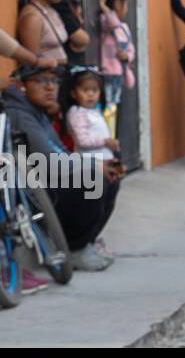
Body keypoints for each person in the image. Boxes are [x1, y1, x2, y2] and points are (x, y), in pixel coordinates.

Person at [4, 64, 121, 271]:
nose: (50, 87)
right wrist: (93, 165)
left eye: (53, 81)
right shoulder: (20, 114)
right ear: (21, 86)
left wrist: (98, 165)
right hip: (35, 197)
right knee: (93, 179)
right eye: (40, 81)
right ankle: (74, 248)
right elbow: (47, 162)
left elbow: (61, 152)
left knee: (111, 175)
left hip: (51, 183)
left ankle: (86, 243)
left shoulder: (36, 111)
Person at [63, 66, 118, 162]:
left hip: (102, 161)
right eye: (85, 90)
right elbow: (82, 141)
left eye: (95, 90)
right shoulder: (78, 113)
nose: (90, 94)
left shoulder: (94, 111)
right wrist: (105, 142)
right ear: (74, 94)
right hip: (90, 163)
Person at [97, 0, 135, 118]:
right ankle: (108, 131)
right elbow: (113, 23)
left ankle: (111, 130)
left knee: (114, 105)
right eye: (126, 5)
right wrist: (104, 7)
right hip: (107, 72)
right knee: (108, 105)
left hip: (119, 75)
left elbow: (131, 48)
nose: (126, 9)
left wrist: (127, 57)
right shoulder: (106, 21)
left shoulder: (124, 27)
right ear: (118, 4)